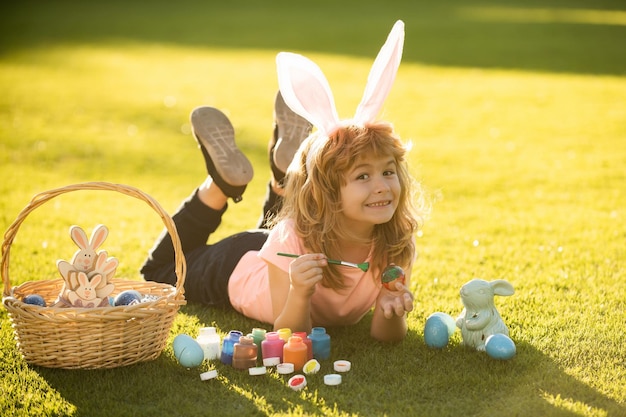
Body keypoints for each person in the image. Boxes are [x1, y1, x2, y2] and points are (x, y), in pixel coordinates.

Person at [141, 20, 427, 341]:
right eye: (363, 176)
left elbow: (386, 337)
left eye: (388, 171)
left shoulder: (397, 241)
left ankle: (285, 177)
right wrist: (300, 293)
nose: (381, 185)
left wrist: (392, 307)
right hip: (235, 266)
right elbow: (289, 335)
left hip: (279, 240)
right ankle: (223, 186)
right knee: (156, 274)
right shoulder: (290, 238)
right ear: (329, 192)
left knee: (284, 231)